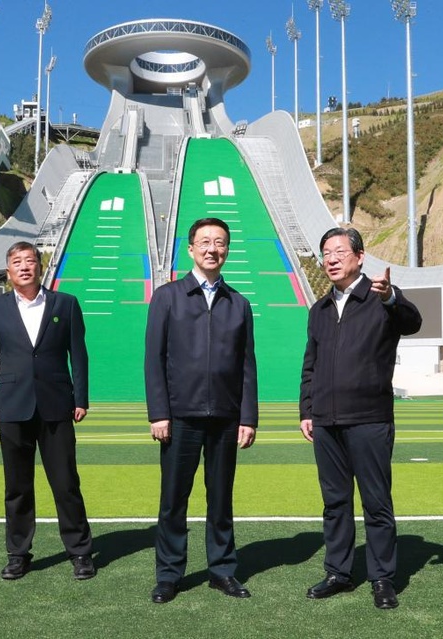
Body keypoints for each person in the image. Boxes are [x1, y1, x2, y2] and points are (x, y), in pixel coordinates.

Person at [299, 227, 422, 609]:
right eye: (326, 253)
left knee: (376, 502)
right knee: (335, 502)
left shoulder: (379, 298)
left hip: (369, 418)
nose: (331, 259)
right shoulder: (318, 310)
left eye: (339, 251)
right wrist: (307, 409)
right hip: (326, 422)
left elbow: (412, 321)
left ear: (360, 256)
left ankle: (382, 577)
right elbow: (311, 365)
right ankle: (338, 571)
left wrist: (392, 298)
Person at [144, 217, 258, 604]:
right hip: (180, 417)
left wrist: (248, 417)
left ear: (227, 250)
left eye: (220, 242)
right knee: (174, 499)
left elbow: (247, 365)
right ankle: (169, 574)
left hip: (226, 417)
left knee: (221, 497)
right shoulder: (168, 296)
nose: (213, 248)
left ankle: (222, 570)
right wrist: (159, 412)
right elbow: (153, 359)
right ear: (190, 249)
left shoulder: (239, 303)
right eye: (205, 242)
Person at [0, 241, 96, 581]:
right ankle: (18, 553)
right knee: (17, 487)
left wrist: (81, 397)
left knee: (65, 483)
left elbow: (80, 354)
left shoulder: (66, 304)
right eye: (17, 262)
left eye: (30, 261)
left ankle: (80, 552)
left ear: (40, 266)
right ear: (9, 270)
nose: (25, 267)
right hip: (12, 407)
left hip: (56, 405)